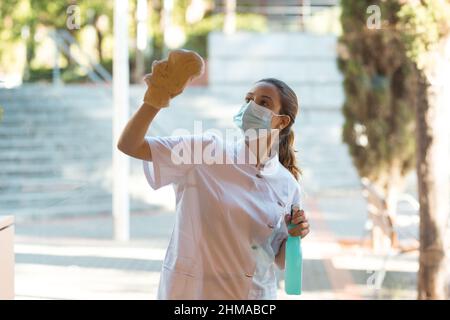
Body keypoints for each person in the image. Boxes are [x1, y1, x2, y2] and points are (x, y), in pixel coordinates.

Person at [118, 68, 310, 299]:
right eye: (248, 99)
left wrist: (293, 236)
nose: (251, 106)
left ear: (281, 121)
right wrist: (156, 98)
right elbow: (129, 144)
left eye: (263, 102)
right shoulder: (206, 150)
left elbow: (279, 261)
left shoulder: (288, 185)